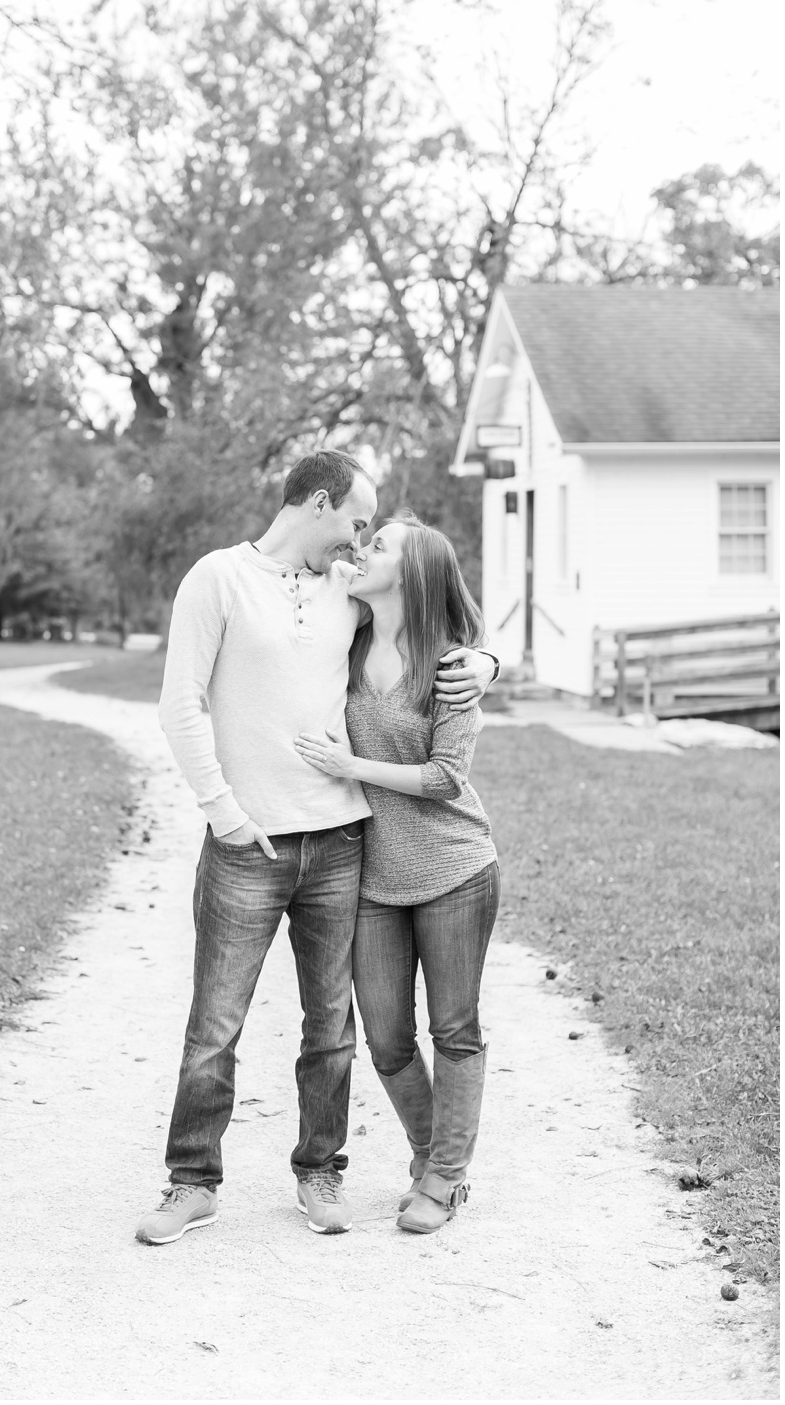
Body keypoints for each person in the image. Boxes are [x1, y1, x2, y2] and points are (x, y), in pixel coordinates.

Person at [137, 450, 497, 1246]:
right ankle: (192, 1182)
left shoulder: (345, 590)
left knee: (331, 1027)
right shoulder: (217, 579)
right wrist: (223, 811)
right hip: (247, 842)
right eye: (357, 522)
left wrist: (485, 662)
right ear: (323, 503)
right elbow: (180, 704)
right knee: (215, 1025)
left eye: (371, 533)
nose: (360, 541)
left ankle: (321, 1170)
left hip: (340, 843)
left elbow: (436, 616)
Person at [293, 514, 499, 1234]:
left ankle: (443, 1179)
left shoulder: (449, 666)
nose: (365, 547)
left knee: (455, 1029)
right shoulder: (346, 639)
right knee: (385, 1037)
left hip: (454, 870)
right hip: (374, 880)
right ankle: (429, 1156)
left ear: (411, 575)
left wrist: (355, 768)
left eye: (381, 544)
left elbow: (447, 777)